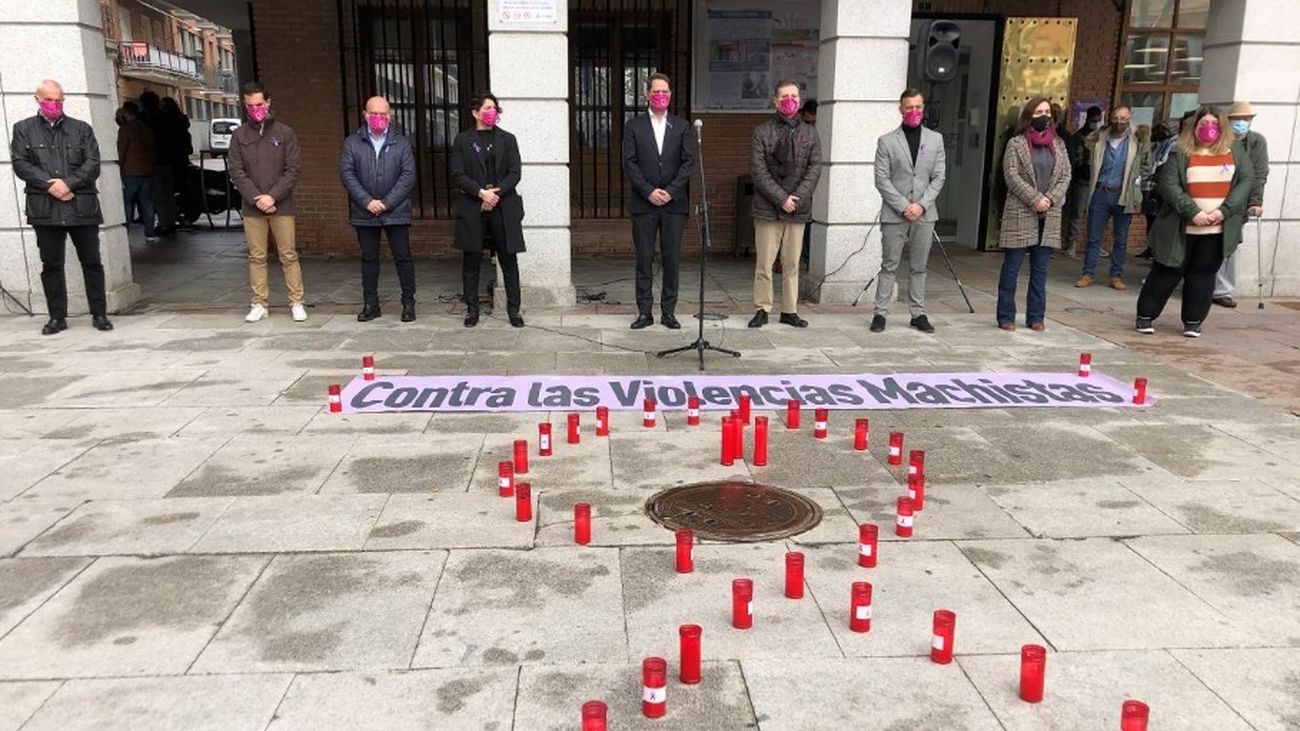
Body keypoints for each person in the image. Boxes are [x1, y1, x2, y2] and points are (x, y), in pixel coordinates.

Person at [1137, 107, 1254, 337]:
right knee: (1166, 271)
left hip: (1216, 228)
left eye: (1214, 124)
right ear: (1195, 127)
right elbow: (1168, 185)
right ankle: (1146, 315)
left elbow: (1246, 181)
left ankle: (1193, 320)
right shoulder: (1181, 152)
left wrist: (1224, 211)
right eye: (1204, 124)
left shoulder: (1236, 152)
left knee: (1202, 275)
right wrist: (1192, 211)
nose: (1208, 129)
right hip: (1181, 227)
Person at [10, 80, 113, 334]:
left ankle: (99, 314)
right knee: (52, 265)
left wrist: (68, 184)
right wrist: (51, 186)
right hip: (45, 208)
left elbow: (93, 164)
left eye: (59, 100)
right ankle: (57, 316)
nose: (54, 105)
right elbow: (21, 164)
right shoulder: (23, 129)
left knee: (92, 262)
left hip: (81, 206)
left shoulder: (81, 129)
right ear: (37, 100)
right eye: (49, 100)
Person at [228, 80, 307, 323]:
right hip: (253, 208)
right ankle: (259, 302)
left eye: (259, 104)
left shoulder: (284, 133)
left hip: (281, 205)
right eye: (250, 105)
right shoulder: (239, 136)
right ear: (244, 104)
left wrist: (273, 196)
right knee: (257, 256)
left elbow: (292, 169)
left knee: (288, 255)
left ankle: (296, 301)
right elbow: (236, 171)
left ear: (268, 102)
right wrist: (257, 198)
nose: (255, 109)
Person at [621, 72, 694, 330]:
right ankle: (644, 312)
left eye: (665, 91)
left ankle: (668, 312)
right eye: (656, 91)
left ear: (671, 95)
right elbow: (629, 163)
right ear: (647, 94)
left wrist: (671, 191)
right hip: (644, 204)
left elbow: (688, 163)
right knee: (644, 258)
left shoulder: (682, 126)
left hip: (674, 205)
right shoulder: (634, 126)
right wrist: (649, 191)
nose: (660, 96)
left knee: (671, 258)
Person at [870, 88, 947, 333]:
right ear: (900, 109)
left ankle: (918, 313)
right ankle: (880, 313)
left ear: (923, 109)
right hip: (895, 214)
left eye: (918, 107)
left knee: (919, 266)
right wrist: (904, 206)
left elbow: (939, 176)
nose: (914, 111)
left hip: (925, 214)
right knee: (889, 264)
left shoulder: (936, 140)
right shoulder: (887, 141)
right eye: (909, 107)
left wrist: (921, 205)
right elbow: (881, 179)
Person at [748, 79, 823, 329]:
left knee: (792, 263)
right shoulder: (761, 132)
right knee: (765, 264)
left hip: (797, 209)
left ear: (799, 101)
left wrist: (796, 199)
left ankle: (789, 310)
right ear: (775, 101)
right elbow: (759, 172)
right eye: (784, 96)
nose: (789, 100)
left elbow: (814, 169)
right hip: (767, 209)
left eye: (793, 96)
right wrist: (781, 199)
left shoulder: (810, 133)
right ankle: (762, 308)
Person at [996, 97, 1071, 332]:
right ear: (1029, 116)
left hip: (1049, 213)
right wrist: (1035, 198)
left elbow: (1066, 175)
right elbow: (1011, 176)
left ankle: (1036, 316)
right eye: (1039, 112)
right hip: (1021, 211)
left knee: (1040, 270)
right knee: (1012, 268)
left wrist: (1049, 198)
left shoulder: (1058, 145)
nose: (1044, 116)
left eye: (1047, 112)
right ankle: (1006, 316)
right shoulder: (1016, 143)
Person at [340, 95, 418, 322]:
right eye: (373, 113)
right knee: (369, 259)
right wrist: (367, 201)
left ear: (390, 116)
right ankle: (371, 304)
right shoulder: (352, 143)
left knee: (403, 258)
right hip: (364, 212)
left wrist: (386, 203)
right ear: (365, 115)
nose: (378, 118)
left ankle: (408, 303)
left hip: (396, 211)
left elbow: (408, 176)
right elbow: (347, 174)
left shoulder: (401, 143)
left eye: (382, 113)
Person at [451, 92, 526, 328]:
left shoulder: (508, 139)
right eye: (486, 108)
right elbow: (458, 174)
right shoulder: (463, 140)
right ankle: (472, 310)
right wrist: (481, 193)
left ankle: (514, 310)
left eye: (494, 108)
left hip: (503, 205)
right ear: (475, 113)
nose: (491, 112)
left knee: (508, 260)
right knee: (472, 260)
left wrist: (495, 194)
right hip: (474, 205)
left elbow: (515, 173)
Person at [1076, 105, 1150, 289]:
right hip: (1100, 192)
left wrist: (1136, 187)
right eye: (1116, 117)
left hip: (1123, 193)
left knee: (1121, 238)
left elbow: (1147, 167)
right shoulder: (1098, 139)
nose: (1119, 121)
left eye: (1123, 118)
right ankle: (1088, 273)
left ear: (1129, 118)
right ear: (1110, 118)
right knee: (1093, 237)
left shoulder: (1137, 141)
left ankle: (1116, 275)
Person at [1212, 101, 1270, 308]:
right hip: (1215, 198)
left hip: (1239, 203)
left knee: (1230, 244)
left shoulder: (1257, 143)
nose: (1242, 123)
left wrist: (1256, 201)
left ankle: (1222, 290)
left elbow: (1259, 174)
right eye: (1238, 119)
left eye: (1246, 119)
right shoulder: (1220, 140)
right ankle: (1199, 282)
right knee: (1206, 243)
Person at [1062, 105, 1102, 255]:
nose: (1095, 123)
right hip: (1082, 180)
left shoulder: (1101, 136)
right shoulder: (1079, 136)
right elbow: (1075, 160)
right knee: (1077, 213)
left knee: (1096, 214)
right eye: (1094, 120)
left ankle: (1094, 245)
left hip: (1097, 181)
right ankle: (1071, 244)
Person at [116, 102, 158, 244]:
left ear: (126, 114)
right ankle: (150, 234)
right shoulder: (146, 128)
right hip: (146, 170)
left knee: (127, 204)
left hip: (130, 170)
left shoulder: (125, 129)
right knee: (147, 204)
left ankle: (125, 233)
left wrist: (118, 168)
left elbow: (122, 151)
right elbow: (152, 150)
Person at [160, 96, 194, 229]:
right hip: (182, 159)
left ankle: (176, 216)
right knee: (183, 188)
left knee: (170, 190)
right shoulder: (182, 122)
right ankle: (186, 215)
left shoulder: (166, 123)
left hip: (170, 160)